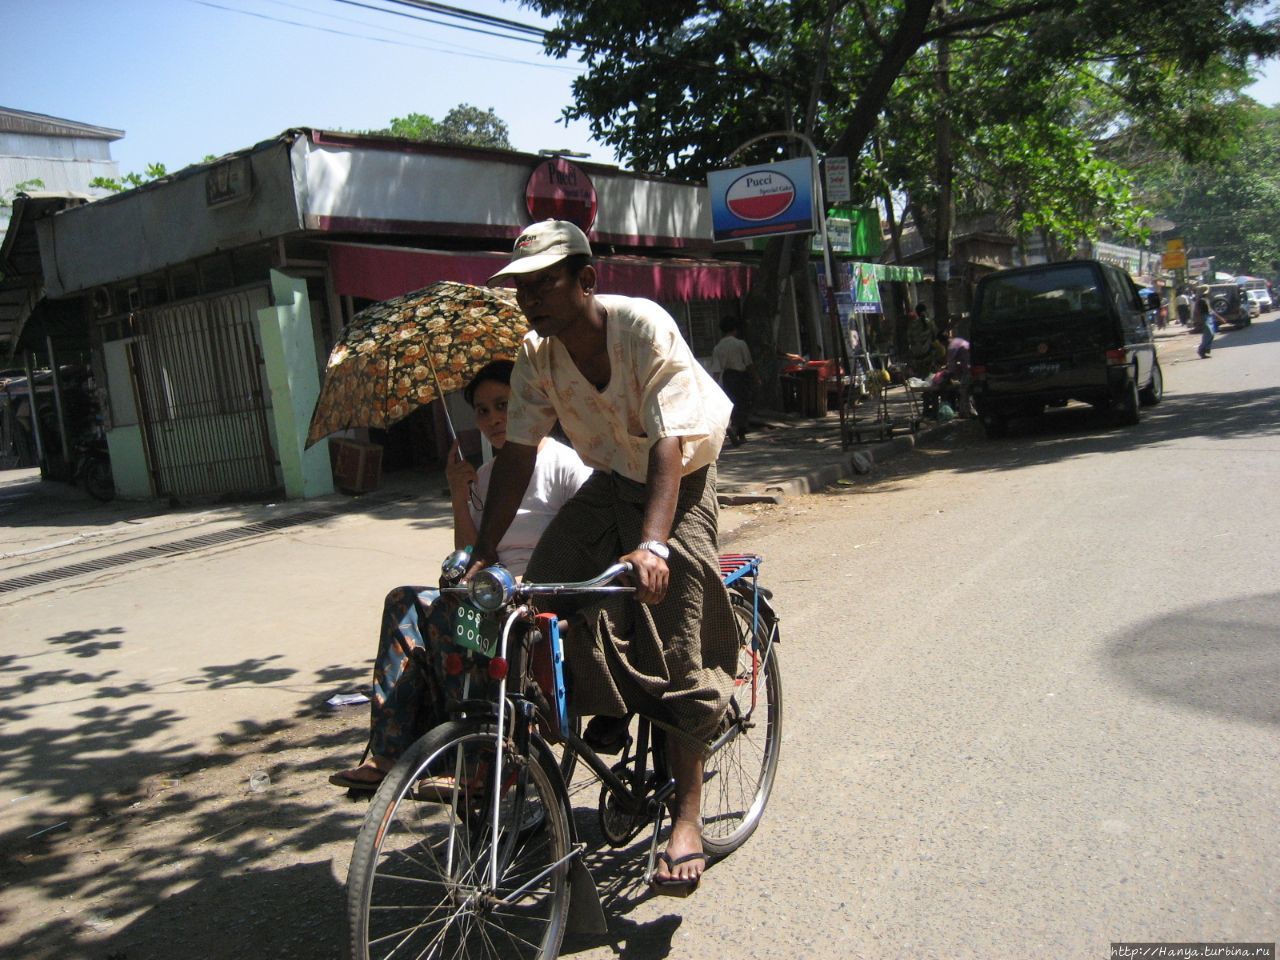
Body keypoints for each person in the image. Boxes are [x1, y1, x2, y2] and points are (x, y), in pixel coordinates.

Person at [474, 219, 736, 896]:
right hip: (612, 477)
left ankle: (684, 818)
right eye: (521, 288)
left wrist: (653, 544)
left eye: (545, 283)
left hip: (682, 472)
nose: (530, 298)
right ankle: (594, 719)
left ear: (586, 279)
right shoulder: (536, 356)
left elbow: (668, 446)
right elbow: (517, 455)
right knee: (541, 596)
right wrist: (482, 553)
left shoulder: (641, 327)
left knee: (677, 630)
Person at [329, 360, 593, 791]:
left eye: (503, 405)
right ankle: (387, 754)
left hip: (543, 594)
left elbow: (586, 540)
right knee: (406, 601)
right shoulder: (486, 477)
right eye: (483, 411)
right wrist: (458, 492)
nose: (492, 419)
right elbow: (468, 554)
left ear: (529, 403)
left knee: (475, 621)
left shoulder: (566, 464)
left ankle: (477, 764)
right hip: (492, 591)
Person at [711, 317, 759, 446]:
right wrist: (756, 378)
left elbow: (716, 370)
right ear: (735, 329)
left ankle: (731, 426)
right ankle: (741, 431)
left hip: (728, 377)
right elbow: (749, 363)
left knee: (731, 403)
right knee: (743, 403)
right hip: (740, 376)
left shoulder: (718, 348)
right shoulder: (740, 344)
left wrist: (712, 386)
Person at [1193, 287, 1221, 358]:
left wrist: (1220, 317)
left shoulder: (1206, 300)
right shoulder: (1201, 301)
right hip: (1205, 318)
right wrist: (1199, 320)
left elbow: (1210, 310)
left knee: (1211, 334)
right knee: (1208, 334)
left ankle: (1205, 350)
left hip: (1209, 317)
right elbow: (1198, 312)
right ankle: (1201, 350)